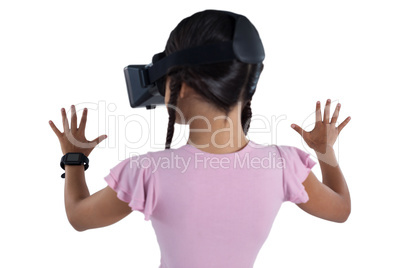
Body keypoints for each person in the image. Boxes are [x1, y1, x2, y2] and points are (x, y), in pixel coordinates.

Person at [49, 9, 351, 268]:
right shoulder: (284, 165)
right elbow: (340, 209)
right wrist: (325, 152)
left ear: (180, 87)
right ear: (248, 84)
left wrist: (74, 157)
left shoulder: (146, 172)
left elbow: (79, 216)